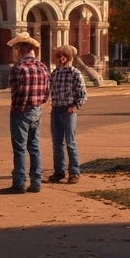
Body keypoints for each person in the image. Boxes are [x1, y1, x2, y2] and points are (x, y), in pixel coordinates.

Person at [1, 31, 49, 195]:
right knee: (34, 146)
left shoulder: (18, 68)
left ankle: (19, 182)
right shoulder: (42, 67)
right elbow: (47, 93)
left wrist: (18, 107)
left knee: (20, 148)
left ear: (21, 49)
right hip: (36, 109)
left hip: (21, 111)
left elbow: (15, 91)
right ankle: (35, 182)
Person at [47, 45, 88, 184]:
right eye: (58, 56)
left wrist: (75, 105)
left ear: (68, 58)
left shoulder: (74, 73)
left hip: (68, 110)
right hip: (56, 109)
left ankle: (74, 172)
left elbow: (82, 93)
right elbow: (48, 88)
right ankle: (58, 172)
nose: (61, 59)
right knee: (57, 143)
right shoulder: (55, 73)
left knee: (70, 142)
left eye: (63, 56)